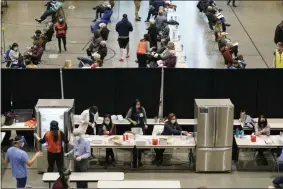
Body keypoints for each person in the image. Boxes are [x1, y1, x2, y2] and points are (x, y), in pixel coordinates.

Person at [126, 99, 148, 167]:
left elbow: (145, 117)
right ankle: (134, 160)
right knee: (134, 144)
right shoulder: (131, 109)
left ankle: (139, 160)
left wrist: (146, 124)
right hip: (134, 128)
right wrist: (132, 121)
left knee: (140, 144)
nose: (138, 105)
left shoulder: (142, 109)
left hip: (141, 127)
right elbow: (127, 117)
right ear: (134, 104)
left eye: (139, 104)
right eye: (137, 104)